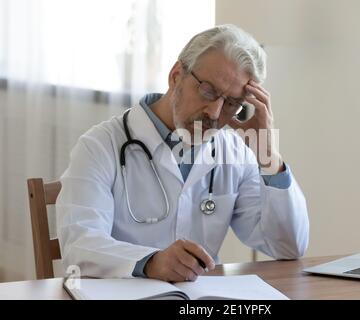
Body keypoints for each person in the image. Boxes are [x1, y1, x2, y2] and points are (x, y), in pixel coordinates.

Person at [56, 24, 309, 282]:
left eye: (231, 103)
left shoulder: (234, 152)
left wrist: (268, 156)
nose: (214, 112)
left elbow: (288, 248)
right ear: (176, 75)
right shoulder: (100, 145)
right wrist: (151, 262)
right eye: (207, 90)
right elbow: (79, 245)